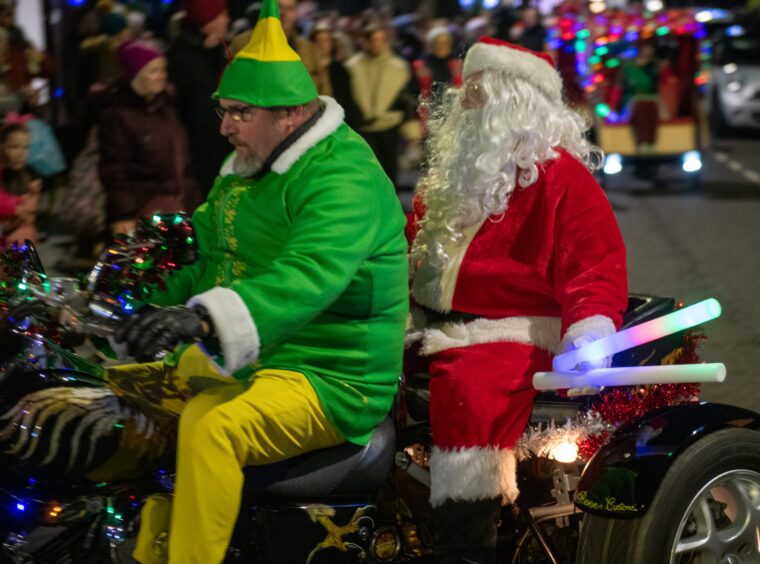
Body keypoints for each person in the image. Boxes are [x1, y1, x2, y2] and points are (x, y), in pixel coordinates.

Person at [117, 1, 408, 561]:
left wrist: (202, 318)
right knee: (139, 402)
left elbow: (309, 274)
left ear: (291, 115)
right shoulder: (250, 166)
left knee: (213, 428)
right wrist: (133, 295)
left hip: (331, 374)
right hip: (266, 357)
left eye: (239, 113)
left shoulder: (341, 177)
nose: (223, 126)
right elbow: (207, 252)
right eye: (224, 110)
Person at [406, 37, 628, 562]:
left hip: (511, 328)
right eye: (468, 90)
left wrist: (589, 330)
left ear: (515, 101)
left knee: (470, 391)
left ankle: (469, 544)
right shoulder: (456, 175)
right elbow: (413, 246)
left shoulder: (561, 177)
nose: (466, 102)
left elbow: (593, 265)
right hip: (432, 322)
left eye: (479, 91)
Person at [98, 40, 196, 235]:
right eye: (153, 71)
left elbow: (183, 162)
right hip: (142, 212)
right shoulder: (118, 116)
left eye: (162, 70)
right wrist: (123, 214)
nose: (161, 77)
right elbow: (114, 171)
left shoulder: (166, 110)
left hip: (175, 208)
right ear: (135, 75)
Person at [166, 0, 232, 196]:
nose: (227, 19)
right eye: (222, 15)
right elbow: (200, 112)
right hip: (201, 159)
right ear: (209, 21)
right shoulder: (184, 59)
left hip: (219, 149)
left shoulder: (216, 50)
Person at [346, 23, 414, 185]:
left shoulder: (399, 67)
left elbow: (406, 98)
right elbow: (349, 98)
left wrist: (410, 128)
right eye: (373, 40)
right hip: (362, 127)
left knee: (389, 170)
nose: (377, 44)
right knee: (366, 170)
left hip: (390, 124)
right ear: (365, 42)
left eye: (381, 40)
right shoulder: (352, 67)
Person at [0, 120, 39, 245]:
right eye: (14, 147)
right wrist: (14, 207)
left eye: (26, 147)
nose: (21, 153)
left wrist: (32, 195)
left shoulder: (22, 173)